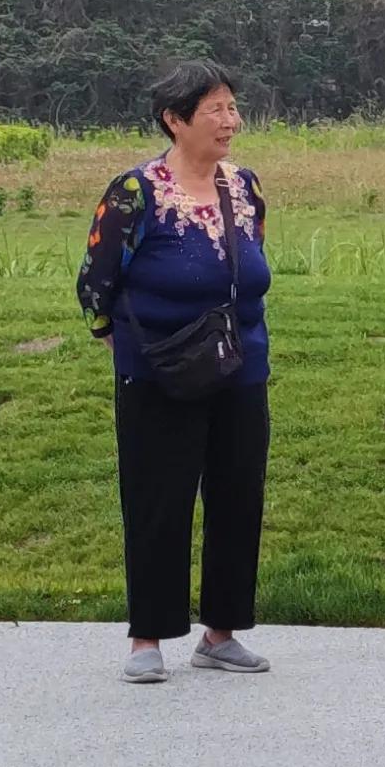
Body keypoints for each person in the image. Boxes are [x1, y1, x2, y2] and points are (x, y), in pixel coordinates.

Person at [73, 60, 274, 683]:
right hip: (158, 372)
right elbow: (95, 283)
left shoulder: (244, 187)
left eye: (232, 107)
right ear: (174, 119)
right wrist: (121, 342)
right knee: (158, 502)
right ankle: (148, 639)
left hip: (240, 367)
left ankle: (221, 634)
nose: (230, 120)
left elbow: (253, 265)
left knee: (238, 498)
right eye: (215, 109)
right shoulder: (136, 193)